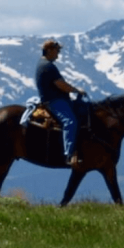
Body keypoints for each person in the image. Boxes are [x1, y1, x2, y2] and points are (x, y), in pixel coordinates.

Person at [35, 39, 87, 167]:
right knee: (70, 122)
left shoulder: (44, 64)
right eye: (56, 51)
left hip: (57, 99)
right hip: (54, 101)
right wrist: (76, 90)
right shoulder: (47, 66)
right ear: (49, 50)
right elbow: (61, 85)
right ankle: (69, 154)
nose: (58, 54)